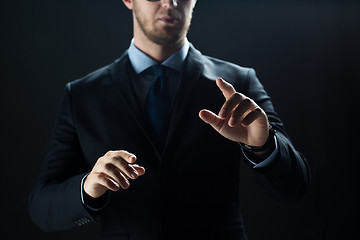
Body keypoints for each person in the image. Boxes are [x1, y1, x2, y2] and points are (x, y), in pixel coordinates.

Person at [29, 0, 310, 239]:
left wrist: (263, 146)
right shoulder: (82, 95)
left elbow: (295, 186)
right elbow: (42, 207)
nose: (171, 3)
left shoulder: (239, 82)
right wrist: (88, 186)